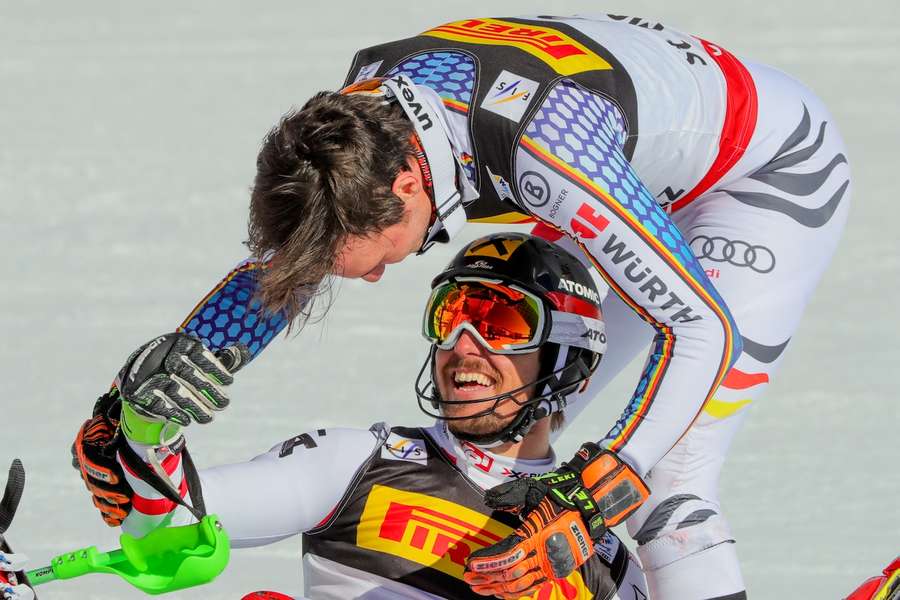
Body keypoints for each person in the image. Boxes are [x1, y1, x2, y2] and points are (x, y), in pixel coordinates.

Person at [73, 14, 851, 599]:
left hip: (764, 179)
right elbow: (286, 269)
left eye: (375, 259)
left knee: (667, 476)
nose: (375, 281)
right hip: (627, 167)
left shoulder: (540, 148)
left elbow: (701, 328)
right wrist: (133, 406)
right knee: (518, 430)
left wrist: (598, 490)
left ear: (411, 187)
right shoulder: (355, 129)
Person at [104, 233, 647, 599]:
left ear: (566, 360)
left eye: (501, 325)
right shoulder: (355, 463)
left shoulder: (600, 556)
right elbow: (165, 533)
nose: (463, 346)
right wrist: (149, 434)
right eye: (450, 317)